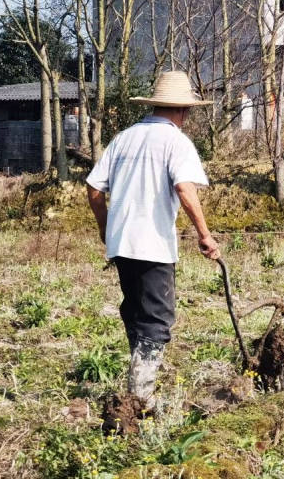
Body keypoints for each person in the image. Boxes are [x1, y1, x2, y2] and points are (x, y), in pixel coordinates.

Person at [85, 71, 220, 408]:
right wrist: (204, 235)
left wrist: (106, 228)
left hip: (122, 243)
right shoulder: (176, 142)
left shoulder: (124, 138)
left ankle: (138, 385)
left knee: (135, 313)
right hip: (153, 245)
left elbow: (93, 190)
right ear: (184, 111)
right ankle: (139, 398)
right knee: (157, 321)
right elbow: (184, 188)